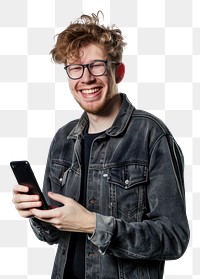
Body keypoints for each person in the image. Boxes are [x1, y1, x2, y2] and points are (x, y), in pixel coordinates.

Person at [12, 11, 190, 279]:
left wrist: (94, 224)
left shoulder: (151, 135)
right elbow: (51, 236)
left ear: (118, 70)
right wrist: (36, 213)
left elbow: (173, 238)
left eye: (96, 65)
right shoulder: (63, 139)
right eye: (75, 69)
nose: (86, 79)